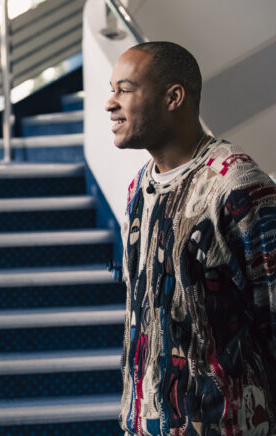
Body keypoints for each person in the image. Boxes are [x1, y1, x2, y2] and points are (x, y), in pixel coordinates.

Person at [107, 41, 276, 435]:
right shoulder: (139, 188)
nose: (109, 103)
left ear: (174, 97)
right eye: (111, 89)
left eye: (124, 89)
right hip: (147, 421)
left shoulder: (236, 185)